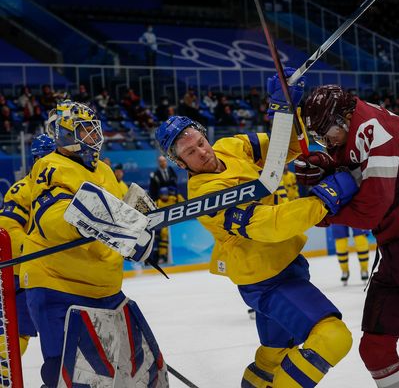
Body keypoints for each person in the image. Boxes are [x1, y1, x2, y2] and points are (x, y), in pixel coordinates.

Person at [154, 69, 358, 387]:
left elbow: (285, 149)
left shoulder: (232, 147)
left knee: (273, 356)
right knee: (333, 338)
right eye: (190, 152)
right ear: (181, 164)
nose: (203, 152)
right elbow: (265, 226)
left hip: (286, 263)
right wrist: (323, 201)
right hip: (266, 280)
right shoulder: (205, 194)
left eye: (201, 142)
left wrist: (286, 108)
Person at [298, 84, 399, 388]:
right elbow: (351, 162)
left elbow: (370, 211)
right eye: (319, 137)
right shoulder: (354, 125)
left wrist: (316, 212)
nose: (326, 142)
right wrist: (325, 164)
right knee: (374, 349)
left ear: (344, 117)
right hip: (395, 247)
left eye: (326, 134)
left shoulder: (379, 132)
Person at [20, 101, 162, 387]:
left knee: (138, 370)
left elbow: (126, 213)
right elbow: (54, 221)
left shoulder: (105, 171)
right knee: (70, 375)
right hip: (59, 288)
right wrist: (106, 222)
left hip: (105, 289)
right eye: (85, 131)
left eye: (94, 131)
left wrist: (140, 222)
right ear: (65, 135)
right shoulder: (50, 165)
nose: (94, 138)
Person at [0, 134, 55, 370]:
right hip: (20, 276)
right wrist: (37, 249)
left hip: (51, 275)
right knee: (16, 332)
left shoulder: (62, 187)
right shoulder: (23, 189)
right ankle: (5, 375)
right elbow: (8, 230)